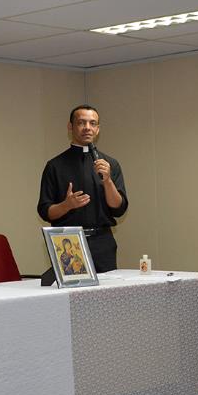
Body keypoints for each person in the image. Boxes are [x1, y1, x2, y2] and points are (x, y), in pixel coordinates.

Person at [38, 105, 128, 275]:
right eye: (81, 123)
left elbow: (119, 209)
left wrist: (108, 180)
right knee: (71, 296)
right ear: (70, 127)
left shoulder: (110, 164)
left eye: (93, 123)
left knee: (106, 296)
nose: (87, 128)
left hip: (102, 241)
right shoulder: (55, 166)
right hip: (68, 242)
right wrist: (66, 205)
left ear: (98, 129)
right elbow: (45, 211)